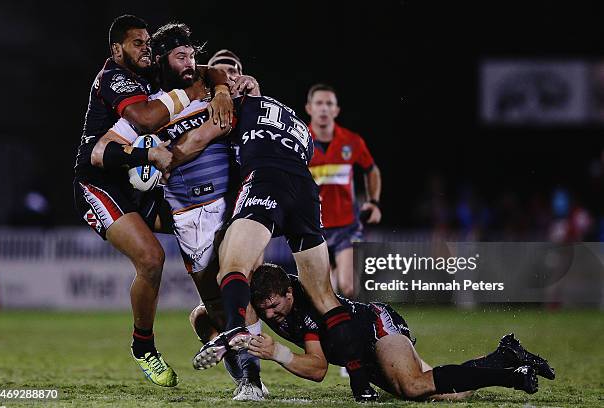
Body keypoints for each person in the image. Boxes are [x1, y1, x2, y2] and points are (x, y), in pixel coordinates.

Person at [180, 93, 380, 401]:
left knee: (233, 269)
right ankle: (361, 385)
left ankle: (235, 332)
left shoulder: (236, 103)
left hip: (265, 179)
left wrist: (165, 158)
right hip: (305, 190)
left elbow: (202, 138)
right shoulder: (300, 128)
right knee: (326, 297)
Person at [73, 14, 232, 387]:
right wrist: (189, 98)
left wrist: (222, 88)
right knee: (151, 258)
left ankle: (215, 317)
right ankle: (143, 346)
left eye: (148, 43)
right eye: (136, 44)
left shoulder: (154, 75)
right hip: (100, 182)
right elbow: (139, 124)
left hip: (137, 185)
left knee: (195, 230)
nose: (145, 49)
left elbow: (207, 69)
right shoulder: (113, 78)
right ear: (117, 50)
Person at [109, 23, 265, 400]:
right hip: (190, 216)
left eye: (193, 55)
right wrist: (144, 159)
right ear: (163, 60)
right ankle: (236, 366)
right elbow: (109, 146)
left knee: (241, 297)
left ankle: (254, 382)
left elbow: (240, 109)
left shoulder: (211, 88)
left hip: (232, 204)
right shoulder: (151, 108)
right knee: (214, 307)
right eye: (181, 56)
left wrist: (237, 86)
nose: (190, 62)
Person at [246, 263, 556, 401]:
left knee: (412, 386)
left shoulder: (306, 304)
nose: (270, 315)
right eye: (264, 310)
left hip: (376, 327)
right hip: (359, 354)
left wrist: (277, 353)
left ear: (289, 292)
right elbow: (209, 312)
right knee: (443, 395)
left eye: (274, 306)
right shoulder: (265, 303)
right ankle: (504, 356)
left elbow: (317, 369)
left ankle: (514, 377)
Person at [306, 84, 382, 298]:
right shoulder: (300, 141)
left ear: (336, 110)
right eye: (319, 103)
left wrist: (373, 202)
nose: (324, 108)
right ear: (309, 108)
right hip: (313, 226)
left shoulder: (352, 141)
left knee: (347, 287)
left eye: (329, 104)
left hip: (346, 226)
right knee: (324, 292)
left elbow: (371, 169)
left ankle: (354, 328)